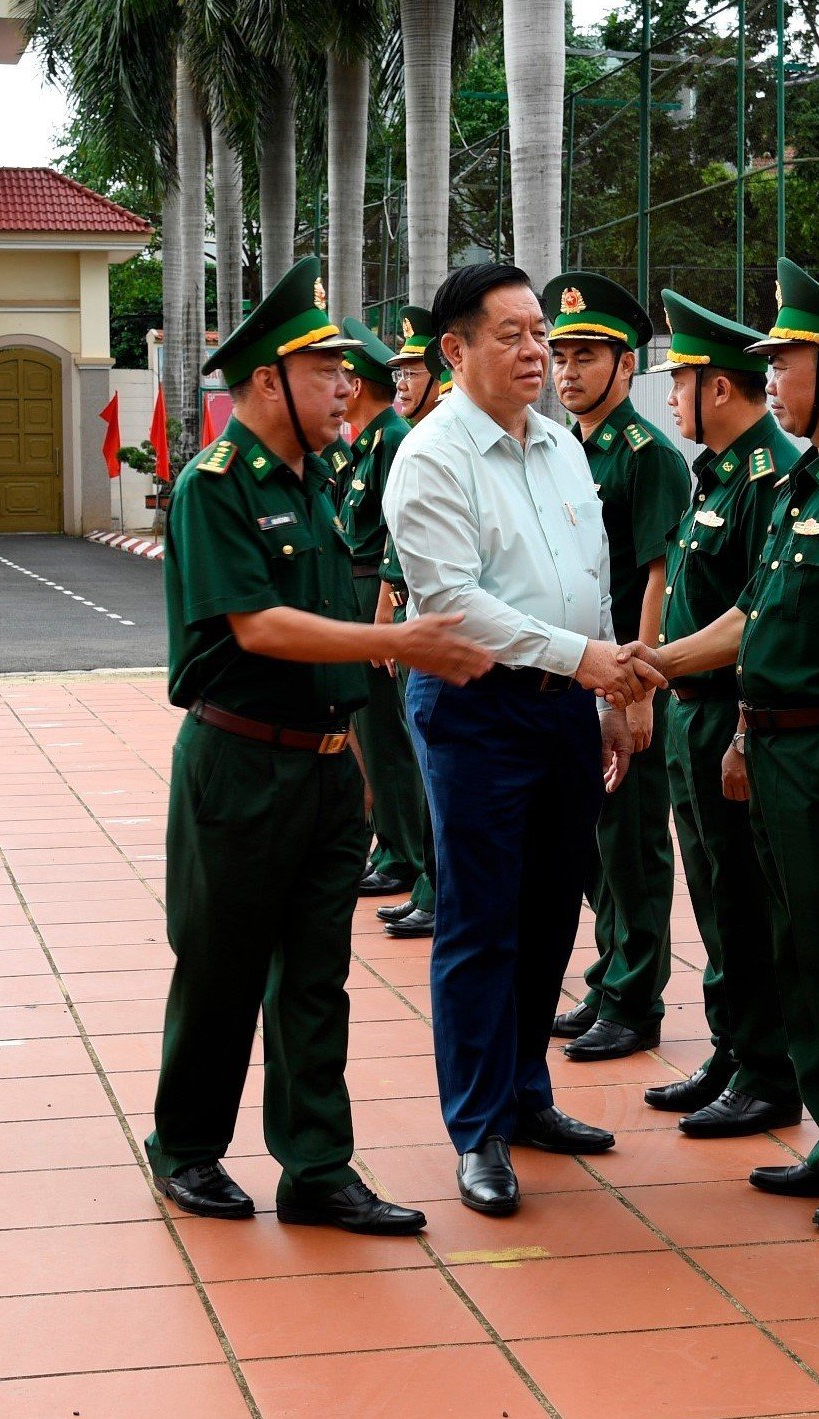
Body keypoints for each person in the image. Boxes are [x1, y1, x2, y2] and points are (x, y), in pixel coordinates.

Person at [146, 257, 495, 1239]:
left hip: (324, 765)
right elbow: (257, 626)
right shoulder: (216, 488)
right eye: (325, 369)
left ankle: (315, 1165)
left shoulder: (317, 479)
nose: (347, 386)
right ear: (269, 382)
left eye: (345, 370)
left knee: (313, 975)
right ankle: (187, 1149)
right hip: (239, 763)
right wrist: (396, 643)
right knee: (219, 970)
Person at [622, 259, 819, 1234]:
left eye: (782, 362)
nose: (770, 381)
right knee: (800, 952)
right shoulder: (813, 480)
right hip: (776, 744)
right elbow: (756, 618)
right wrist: (655, 663)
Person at [382, 263, 660, 1217]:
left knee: (549, 911)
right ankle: (478, 1129)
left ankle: (526, 1095)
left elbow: (594, 570)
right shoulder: (431, 458)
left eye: (541, 332)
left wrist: (608, 690)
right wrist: (585, 658)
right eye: (513, 334)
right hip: (477, 709)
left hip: (566, 707)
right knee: (478, 918)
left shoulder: (562, 448)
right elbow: (456, 605)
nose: (538, 350)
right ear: (455, 350)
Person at [637, 290, 806, 1140]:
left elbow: (756, 617)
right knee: (710, 892)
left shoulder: (770, 478)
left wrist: (730, 720)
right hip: (687, 713)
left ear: (723, 389)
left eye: (683, 383)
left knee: (745, 898)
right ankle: (731, 1048)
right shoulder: (717, 470)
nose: (671, 399)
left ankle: (769, 1069)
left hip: (729, 714)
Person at [539, 272, 688, 1063]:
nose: (568, 371)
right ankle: (608, 977)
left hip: (625, 676)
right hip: (581, 674)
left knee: (633, 846)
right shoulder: (566, 449)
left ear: (626, 367)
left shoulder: (646, 454)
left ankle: (636, 1000)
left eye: (587, 355)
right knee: (596, 844)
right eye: (560, 354)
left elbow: (659, 572)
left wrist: (638, 688)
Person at [333, 317, 437, 940]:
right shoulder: (370, 443)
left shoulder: (394, 439)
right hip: (362, 586)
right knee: (374, 732)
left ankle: (408, 856)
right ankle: (396, 849)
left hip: (380, 589)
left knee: (393, 741)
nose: (340, 387)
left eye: (410, 372)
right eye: (395, 372)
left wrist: (383, 606)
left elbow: (398, 529)